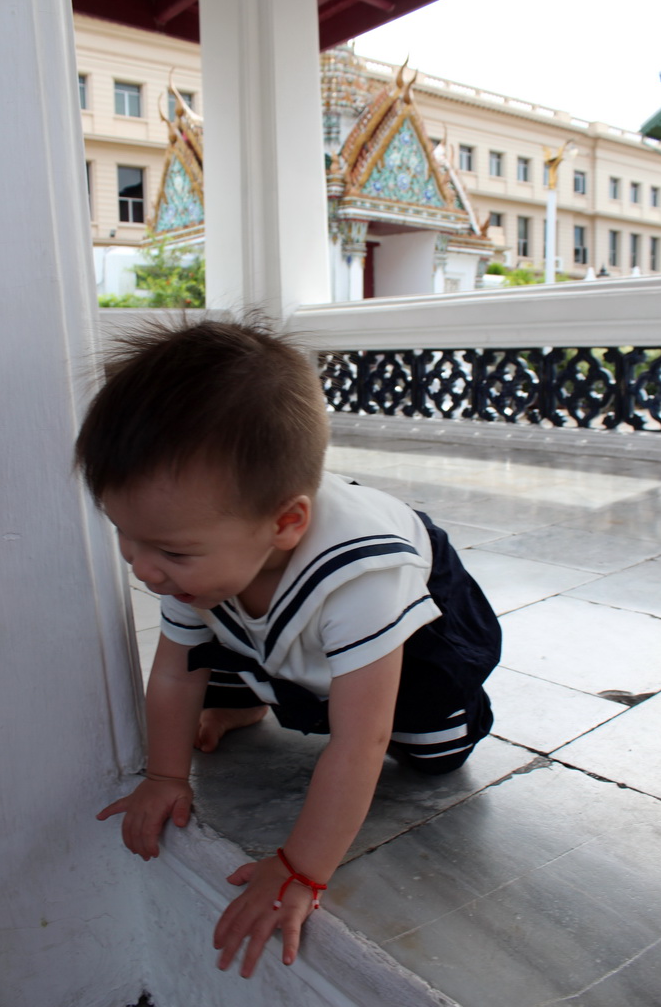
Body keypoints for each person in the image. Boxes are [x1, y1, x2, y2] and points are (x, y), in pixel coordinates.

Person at [75, 319, 501, 979]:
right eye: (126, 537)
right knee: (216, 630)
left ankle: (453, 715)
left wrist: (303, 867)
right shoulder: (190, 551)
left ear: (285, 523)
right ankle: (253, 696)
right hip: (263, 597)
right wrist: (164, 776)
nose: (143, 568)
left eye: (169, 551)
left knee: (426, 748)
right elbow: (174, 673)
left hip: (420, 643)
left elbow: (359, 742)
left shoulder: (364, 579)